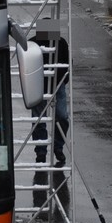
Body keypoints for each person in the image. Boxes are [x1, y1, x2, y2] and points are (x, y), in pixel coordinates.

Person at [29, 24, 69, 167]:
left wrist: (62, 82)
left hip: (52, 85)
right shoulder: (60, 41)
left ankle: (53, 148)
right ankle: (44, 150)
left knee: (58, 117)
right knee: (47, 118)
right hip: (42, 85)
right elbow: (67, 64)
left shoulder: (33, 43)